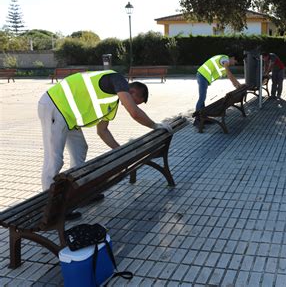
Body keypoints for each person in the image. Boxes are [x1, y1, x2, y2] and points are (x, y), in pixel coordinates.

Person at [38, 70, 171, 220]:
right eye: (135, 101)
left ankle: (78, 195)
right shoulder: (117, 79)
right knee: (54, 158)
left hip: (68, 116)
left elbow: (102, 131)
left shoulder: (112, 103)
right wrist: (155, 125)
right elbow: (134, 113)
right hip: (54, 105)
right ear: (131, 91)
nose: (128, 103)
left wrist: (120, 151)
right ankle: (49, 209)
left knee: (80, 148)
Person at [194, 53, 241, 125]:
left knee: (203, 97)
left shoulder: (225, 64)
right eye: (235, 62)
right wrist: (237, 85)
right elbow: (229, 74)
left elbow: (230, 75)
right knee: (202, 97)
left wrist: (238, 84)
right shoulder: (224, 59)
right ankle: (197, 119)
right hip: (202, 75)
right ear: (233, 58)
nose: (234, 64)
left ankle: (202, 118)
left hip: (204, 77)